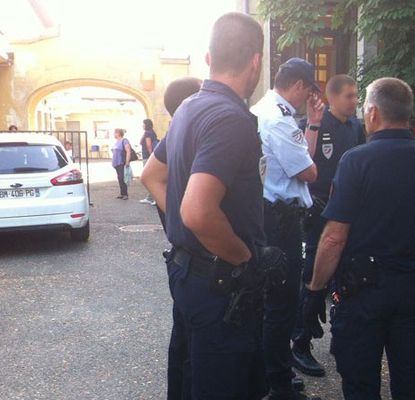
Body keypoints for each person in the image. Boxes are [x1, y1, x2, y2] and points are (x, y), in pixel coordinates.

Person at [302, 77, 415, 400]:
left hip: (362, 293)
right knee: (411, 384)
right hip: (414, 291)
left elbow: (334, 237)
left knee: (360, 385)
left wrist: (315, 289)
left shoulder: (356, 161)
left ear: (373, 113)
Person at [141, 12, 270, 400]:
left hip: (190, 275)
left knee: (189, 379)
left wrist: (187, 235)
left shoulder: (189, 107)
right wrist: (244, 259)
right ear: (256, 62)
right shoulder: (230, 118)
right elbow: (197, 211)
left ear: (209, 58)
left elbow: (152, 175)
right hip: (219, 286)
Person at [250, 58, 324, 400]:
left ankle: (273, 371)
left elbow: (302, 162)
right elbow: (308, 172)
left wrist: (314, 123)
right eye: (308, 90)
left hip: (275, 216)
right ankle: (276, 382)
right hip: (280, 220)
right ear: (298, 86)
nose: (308, 96)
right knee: (281, 302)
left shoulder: (271, 110)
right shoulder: (278, 119)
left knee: (276, 302)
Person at [292, 74, 364, 377]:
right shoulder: (318, 125)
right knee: (313, 274)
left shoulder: (356, 127)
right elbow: (303, 168)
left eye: (357, 95)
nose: (355, 100)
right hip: (318, 210)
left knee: (345, 273)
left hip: (348, 210)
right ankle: (300, 342)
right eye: (349, 95)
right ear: (333, 98)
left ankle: (342, 336)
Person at [142, 76, 202, 400]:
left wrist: (179, 218)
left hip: (180, 256)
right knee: (194, 350)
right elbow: (149, 177)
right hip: (195, 258)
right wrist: (188, 220)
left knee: (182, 340)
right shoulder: (190, 134)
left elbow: (149, 176)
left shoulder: (175, 134)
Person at [139, 119, 158, 205]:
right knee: (151, 177)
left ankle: (154, 198)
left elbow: (149, 145)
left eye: (143, 124)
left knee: (148, 178)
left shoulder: (147, 133)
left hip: (148, 157)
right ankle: (150, 197)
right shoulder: (152, 132)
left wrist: (151, 157)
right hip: (149, 157)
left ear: (146, 124)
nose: (142, 125)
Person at [112, 128, 131, 200]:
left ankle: (125, 194)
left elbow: (128, 151)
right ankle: (121, 193)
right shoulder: (117, 141)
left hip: (121, 162)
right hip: (116, 163)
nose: (114, 134)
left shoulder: (124, 140)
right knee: (119, 178)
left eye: (115, 132)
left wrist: (127, 161)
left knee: (122, 178)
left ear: (118, 133)